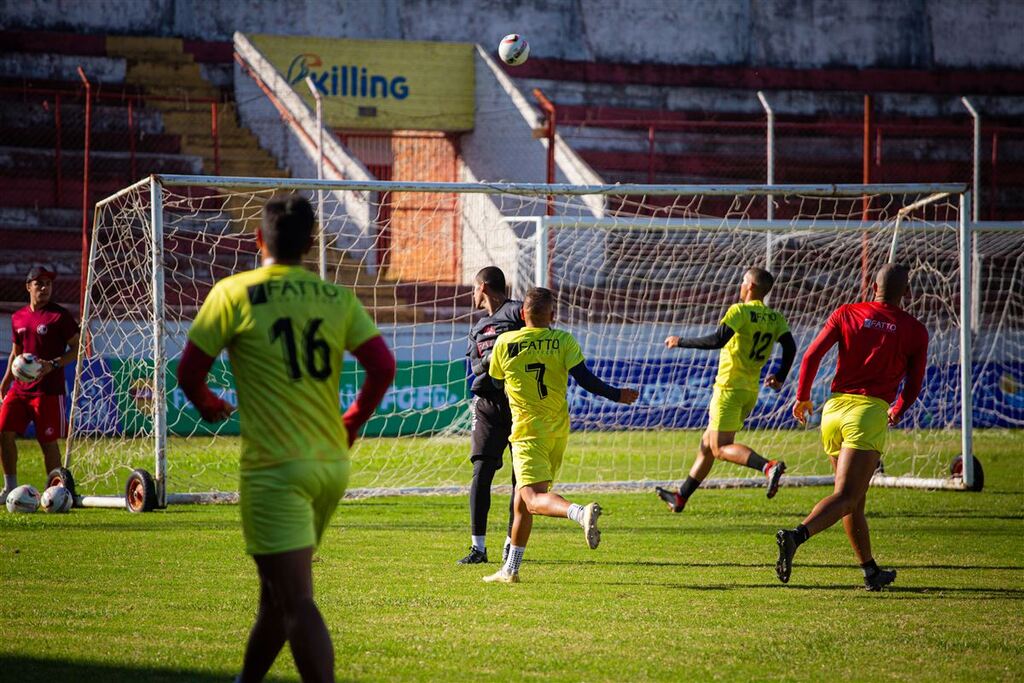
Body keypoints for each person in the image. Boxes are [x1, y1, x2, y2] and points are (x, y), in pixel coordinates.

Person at [177, 194, 396, 682]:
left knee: (296, 599)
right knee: (275, 594)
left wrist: (209, 404)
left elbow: (189, 372)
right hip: (330, 466)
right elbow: (382, 366)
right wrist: (351, 421)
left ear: (258, 240)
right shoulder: (337, 297)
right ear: (312, 243)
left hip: (277, 469)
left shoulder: (233, 293)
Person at [776, 263, 928, 591]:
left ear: (873, 288)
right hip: (868, 413)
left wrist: (802, 397)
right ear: (908, 293)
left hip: (833, 412)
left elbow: (811, 357)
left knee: (854, 500)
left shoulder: (847, 312)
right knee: (846, 496)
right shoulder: (914, 329)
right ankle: (795, 536)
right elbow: (914, 384)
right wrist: (900, 408)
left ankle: (870, 570)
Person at [483, 287, 639, 584]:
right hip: (557, 431)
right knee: (520, 502)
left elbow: (493, 380)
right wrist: (617, 394)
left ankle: (579, 513)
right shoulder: (563, 340)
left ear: (521, 314)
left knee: (532, 499)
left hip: (528, 431)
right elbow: (587, 380)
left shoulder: (504, 342)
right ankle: (510, 569)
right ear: (552, 316)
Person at [655, 267, 796, 513]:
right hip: (750, 391)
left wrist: (681, 341)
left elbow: (717, 340)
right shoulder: (776, 318)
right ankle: (680, 498)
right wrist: (780, 376)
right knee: (707, 445)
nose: (740, 285)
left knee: (720, 448)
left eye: (743, 281)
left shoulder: (739, 311)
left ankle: (768, 466)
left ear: (750, 286)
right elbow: (790, 347)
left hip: (729, 388)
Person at [459, 266, 524, 565]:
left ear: (483, 287)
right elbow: (476, 368)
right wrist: (491, 359)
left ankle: (511, 544)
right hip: (487, 406)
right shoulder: (477, 328)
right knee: (481, 473)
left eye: (473, 288)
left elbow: (536, 337)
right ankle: (478, 548)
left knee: (519, 480)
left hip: (519, 404)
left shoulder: (516, 312)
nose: (472, 294)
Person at [0, 265, 80, 504]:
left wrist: (53, 364)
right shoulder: (18, 318)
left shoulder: (60, 316)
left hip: (48, 391)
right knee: (3, 432)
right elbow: (17, 353)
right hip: (20, 390)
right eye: (39, 284)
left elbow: (77, 349)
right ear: (29, 287)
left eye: (49, 284)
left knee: (47, 442)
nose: (45, 288)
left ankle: (58, 492)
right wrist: (6, 381)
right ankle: (9, 488)